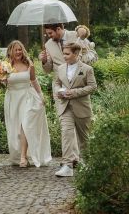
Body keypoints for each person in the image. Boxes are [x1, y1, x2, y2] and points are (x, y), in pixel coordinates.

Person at [0, 40, 53, 168]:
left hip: (28, 97)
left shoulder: (28, 63)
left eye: (20, 49)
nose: (18, 52)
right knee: (15, 129)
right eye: (16, 50)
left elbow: (33, 80)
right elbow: (1, 86)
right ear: (10, 51)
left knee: (26, 124)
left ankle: (23, 157)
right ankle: (21, 155)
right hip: (13, 98)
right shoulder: (4, 65)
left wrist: (41, 96)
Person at [52, 42, 97, 177]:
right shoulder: (60, 68)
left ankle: (87, 163)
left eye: (67, 54)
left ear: (76, 54)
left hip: (82, 108)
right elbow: (56, 83)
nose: (64, 56)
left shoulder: (87, 69)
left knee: (84, 138)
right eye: (64, 53)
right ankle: (67, 165)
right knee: (66, 133)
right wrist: (58, 91)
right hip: (65, 106)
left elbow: (93, 86)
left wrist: (74, 92)